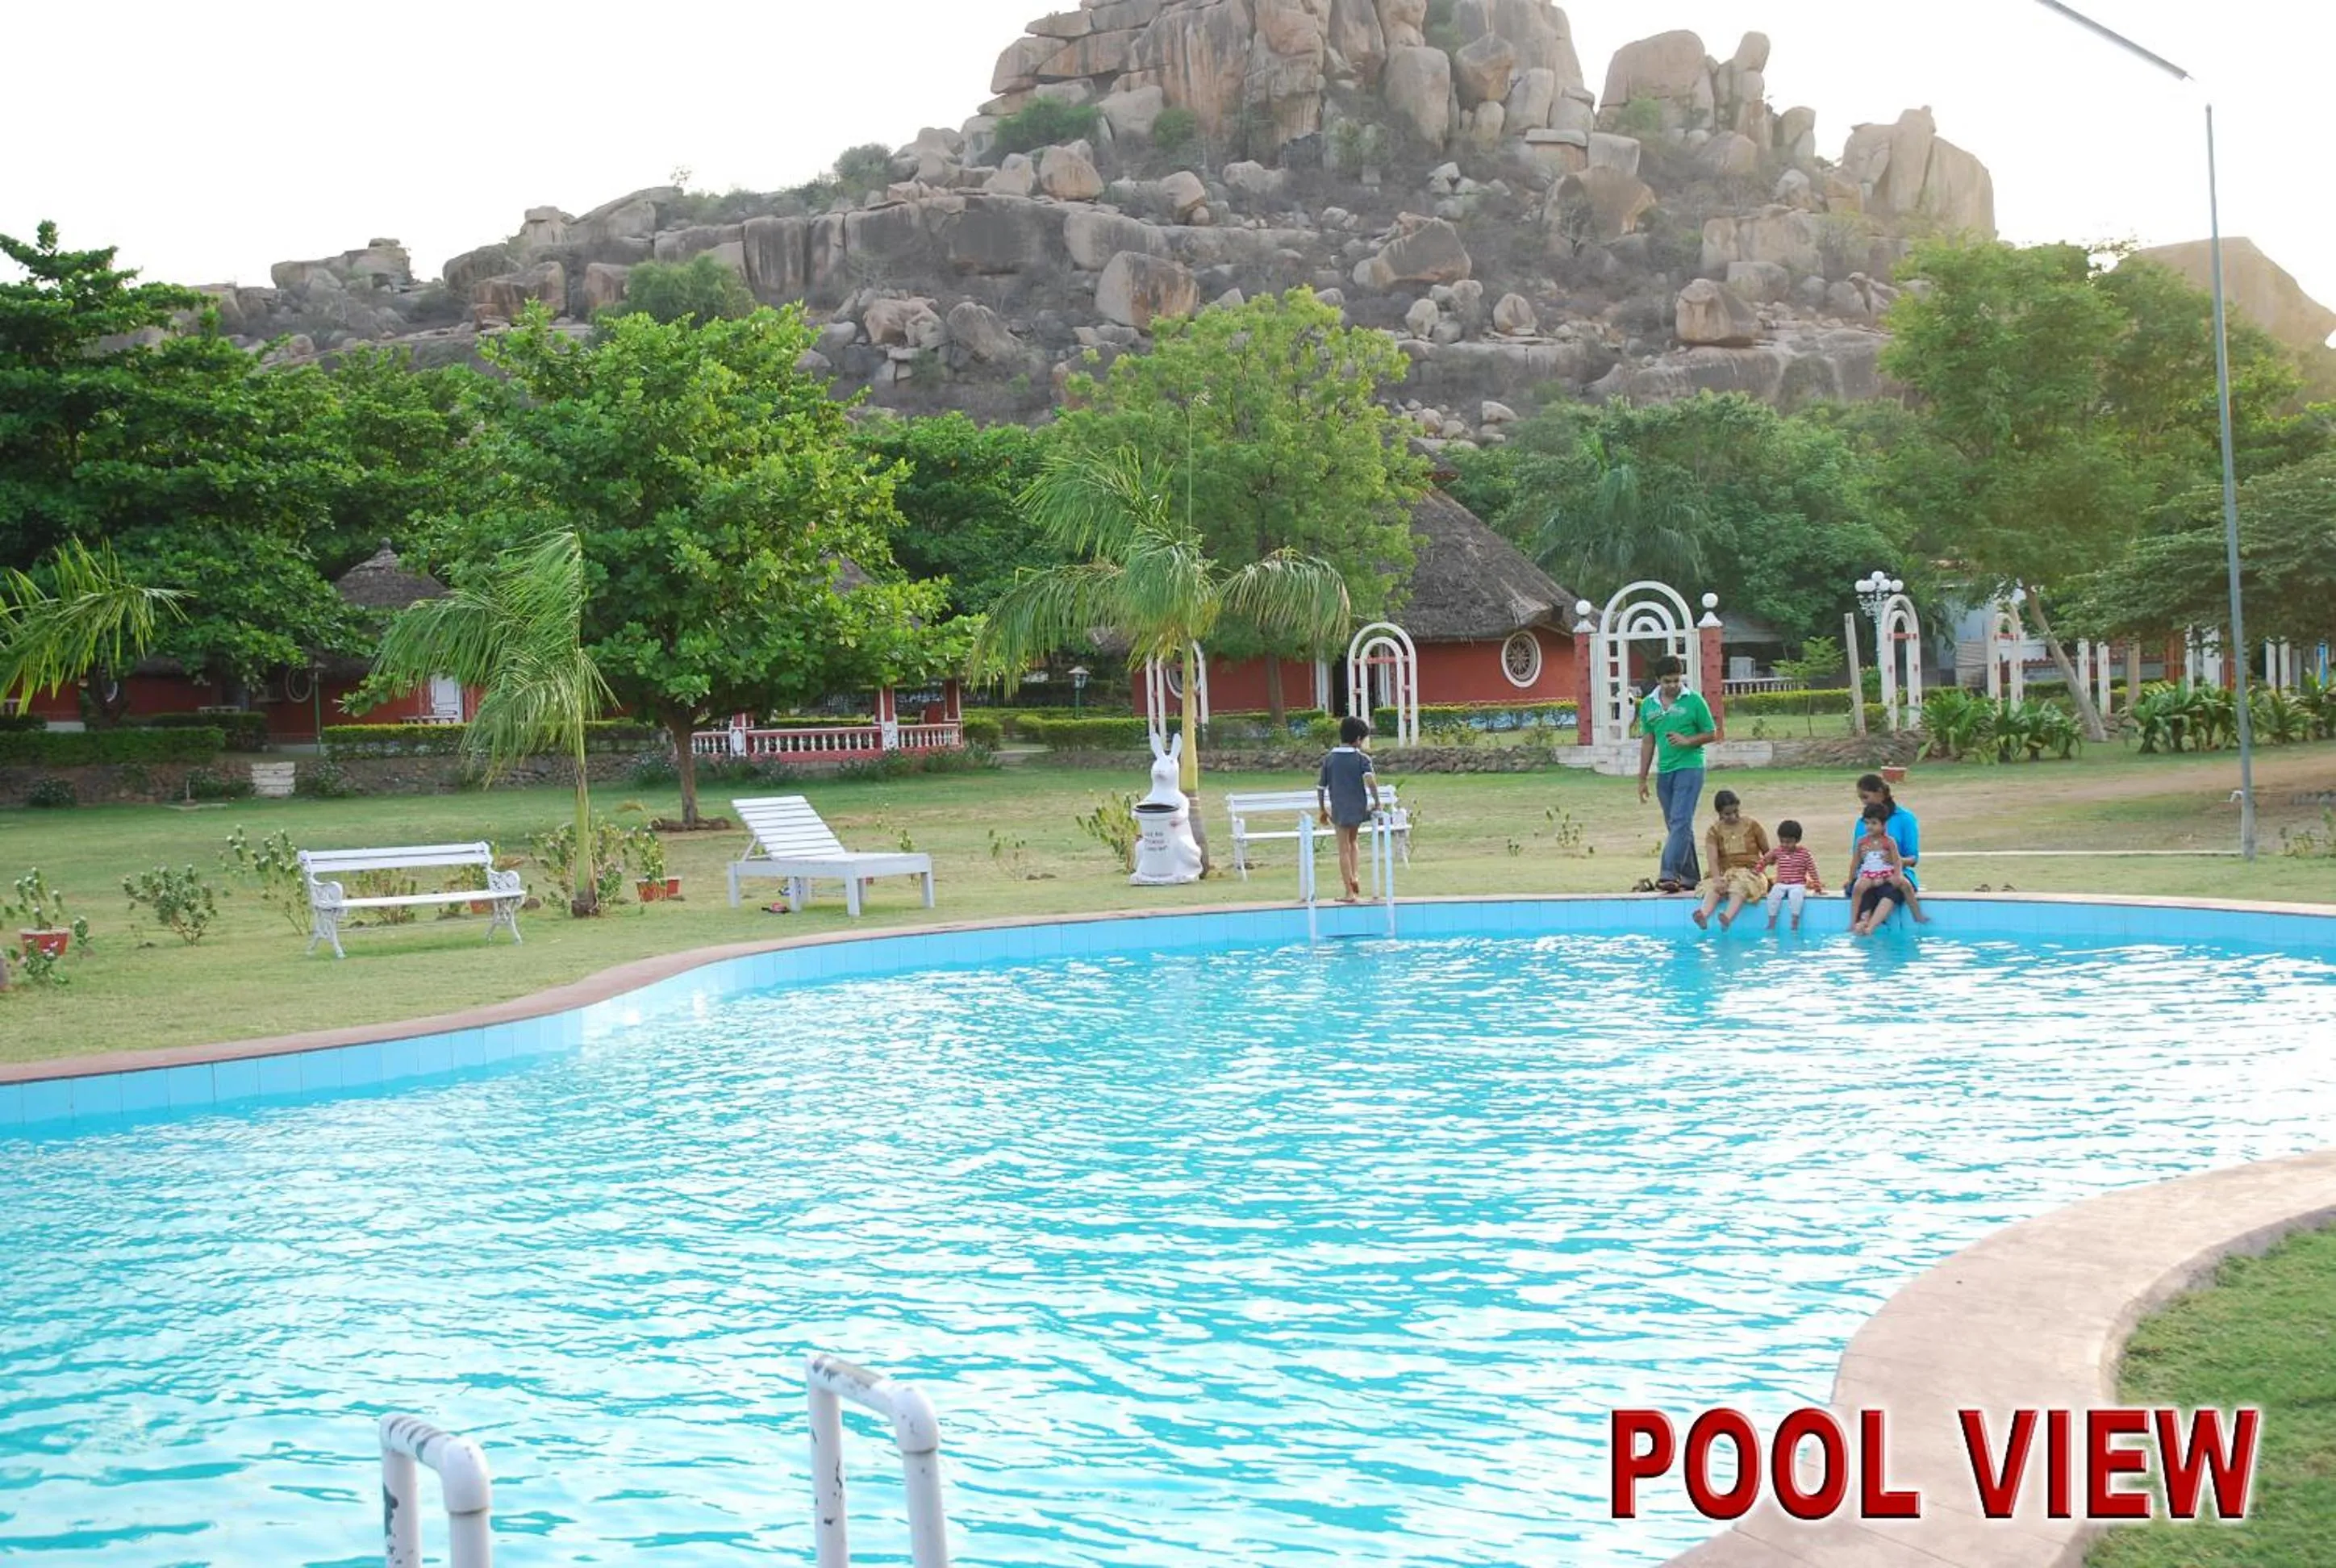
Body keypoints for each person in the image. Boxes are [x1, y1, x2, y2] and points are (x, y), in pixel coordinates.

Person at [1636, 656, 1719, 893]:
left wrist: (1688, 741)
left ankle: (1668, 873)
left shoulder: (1694, 701)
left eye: (1676, 680)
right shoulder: (1649, 706)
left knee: (1681, 820)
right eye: (1667, 681)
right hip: (1665, 772)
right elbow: (1648, 742)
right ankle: (1691, 877)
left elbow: (1711, 733)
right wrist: (1642, 778)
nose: (1672, 685)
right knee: (1677, 827)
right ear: (1657, 680)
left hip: (1691, 767)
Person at [1316, 715, 1383, 903]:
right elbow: (1370, 781)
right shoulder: (1362, 758)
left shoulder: (1329, 759)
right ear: (1358, 739)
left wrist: (1322, 809)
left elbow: (1321, 787)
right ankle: (1356, 876)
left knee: (1343, 848)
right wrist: (1377, 802)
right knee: (1353, 842)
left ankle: (1349, 891)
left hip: (1340, 809)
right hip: (1358, 807)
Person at [1846, 774, 1923, 929]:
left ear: (1880, 792)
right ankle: (1861, 922)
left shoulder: (1905, 818)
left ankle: (1871, 926)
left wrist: (1895, 860)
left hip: (1895, 872)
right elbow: (1858, 857)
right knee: (1860, 888)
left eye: (1866, 797)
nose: (1863, 802)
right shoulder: (1862, 822)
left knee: (1892, 888)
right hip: (1869, 872)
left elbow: (1913, 858)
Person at [1692, 790, 1771, 930]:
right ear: (1719, 813)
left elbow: (1768, 854)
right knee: (1715, 888)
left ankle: (1727, 917)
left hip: (1751, 873)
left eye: (1736, 811)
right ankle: (1703, 915)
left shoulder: (1752, 826)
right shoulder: (1714, 831)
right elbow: (1712, 859)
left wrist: (1761, 867)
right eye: (1728, 814)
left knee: (1739, 886)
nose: (1733, 816)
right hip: (1726, 873)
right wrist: (1717, 879)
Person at [1758, 821, 1825, 930]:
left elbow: (1812, 870)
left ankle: (1795, 920)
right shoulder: (1778, 851)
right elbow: (1765, 860)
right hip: (1781, 883)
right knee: (1773, 897)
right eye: (1782, 841)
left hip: (1797, 884)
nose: (1785, 845)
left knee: (1795, 897)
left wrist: (1817, 886)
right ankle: (1771, 921)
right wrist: (1758, 869)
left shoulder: (1804, 854)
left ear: (1797, 840)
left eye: (1788, 842)